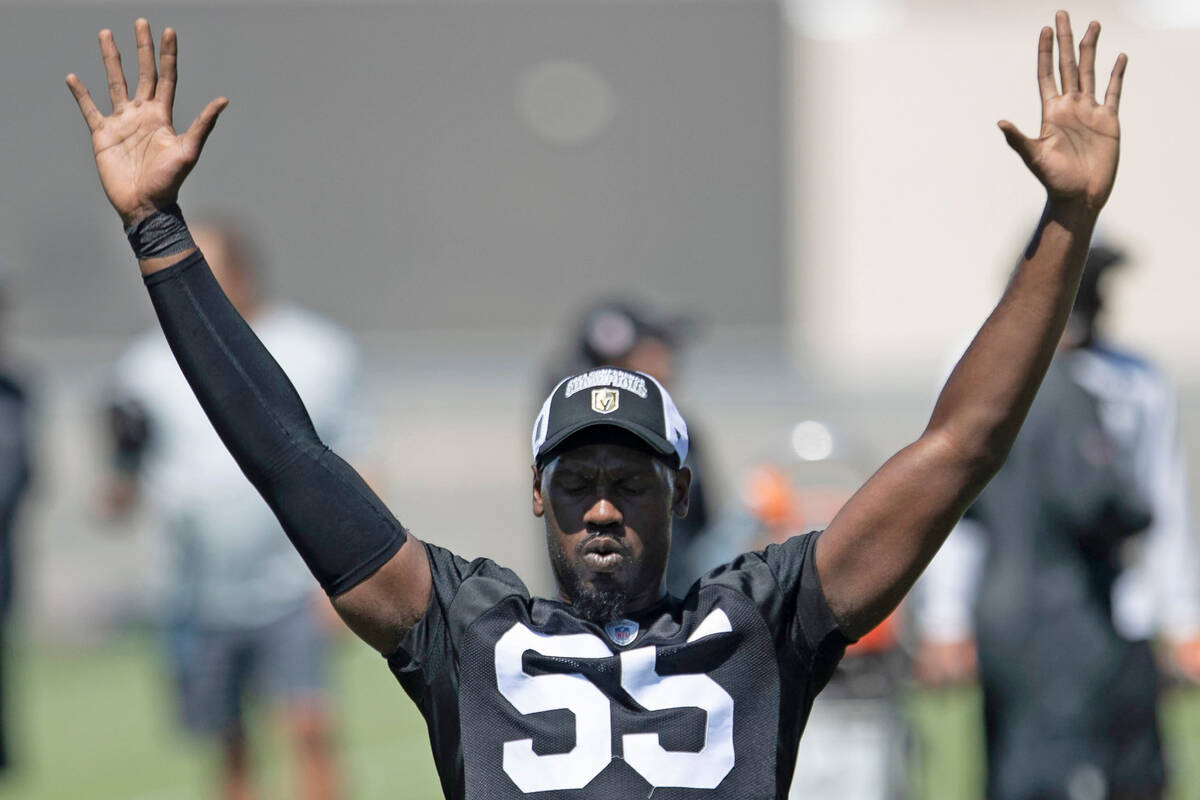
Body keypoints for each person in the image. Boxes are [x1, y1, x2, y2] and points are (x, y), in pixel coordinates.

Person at [64, 13, 1126, 798]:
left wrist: (1065, 224)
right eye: (579, 481)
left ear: (681, 490)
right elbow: (289, 457)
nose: (604, 506)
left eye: (629, 480)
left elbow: (960, 446)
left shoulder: (761, 615)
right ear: (538, 495)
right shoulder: (463, 624)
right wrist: (160, 233)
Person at [914, 244, 1200, 800]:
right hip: (1026, 613)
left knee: (1134, 769)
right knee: (1032, 772)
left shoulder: (1136, 379)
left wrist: (1182, 615)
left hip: (1119, 613)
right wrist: (945, 619)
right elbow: (954, 506)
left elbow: (1164, 501)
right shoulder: (979, 369)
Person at [100, 218, 357, 800]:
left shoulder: (315, 349)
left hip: (293, 580)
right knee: (229, 745)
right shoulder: (145, 366)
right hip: (197, 592)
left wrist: (348, 578)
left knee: (310, 730)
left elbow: (359, 467)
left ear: (241, 273)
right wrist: (119, 463)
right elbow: (120, 496)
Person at [548, 299, 712, 595]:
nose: (669, 360)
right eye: (656, 348)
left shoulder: (681, 428)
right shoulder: (565, 427)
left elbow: (706, 524)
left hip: (678, 606)